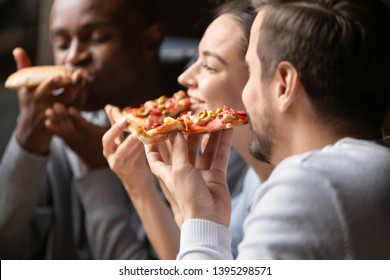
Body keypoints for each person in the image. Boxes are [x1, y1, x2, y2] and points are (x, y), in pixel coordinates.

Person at [144, 0, 390, 259]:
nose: (245, 95)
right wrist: (207, 222)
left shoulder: (309, 184)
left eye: (251, 72)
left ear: (284, 84)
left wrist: (198, 221)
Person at [0, 0, 173, 259]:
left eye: (98, 38)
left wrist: (98, 169)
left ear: (150, 41)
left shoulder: (194, 126)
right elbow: (8, 251)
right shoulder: (63, 124)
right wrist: (28, 137)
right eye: (61, 44)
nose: (74, 57)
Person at [102, 0, 273, 259]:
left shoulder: (285, 195)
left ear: (264, 80)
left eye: (208, 66)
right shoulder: (254, 178)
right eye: (196, 59)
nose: (183, 78)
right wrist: (139, 185)